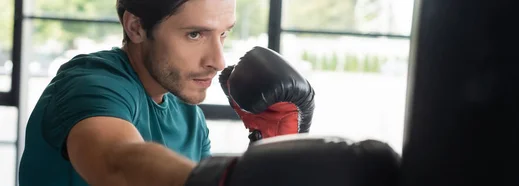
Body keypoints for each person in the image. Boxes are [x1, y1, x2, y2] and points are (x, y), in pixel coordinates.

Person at [17, 0, 316, 185]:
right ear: (136, 27)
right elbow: (119, 165)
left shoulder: (188, 116)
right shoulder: (91, 84)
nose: (218, 60)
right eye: (195, 34)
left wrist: (271, 153)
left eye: (224, 33)